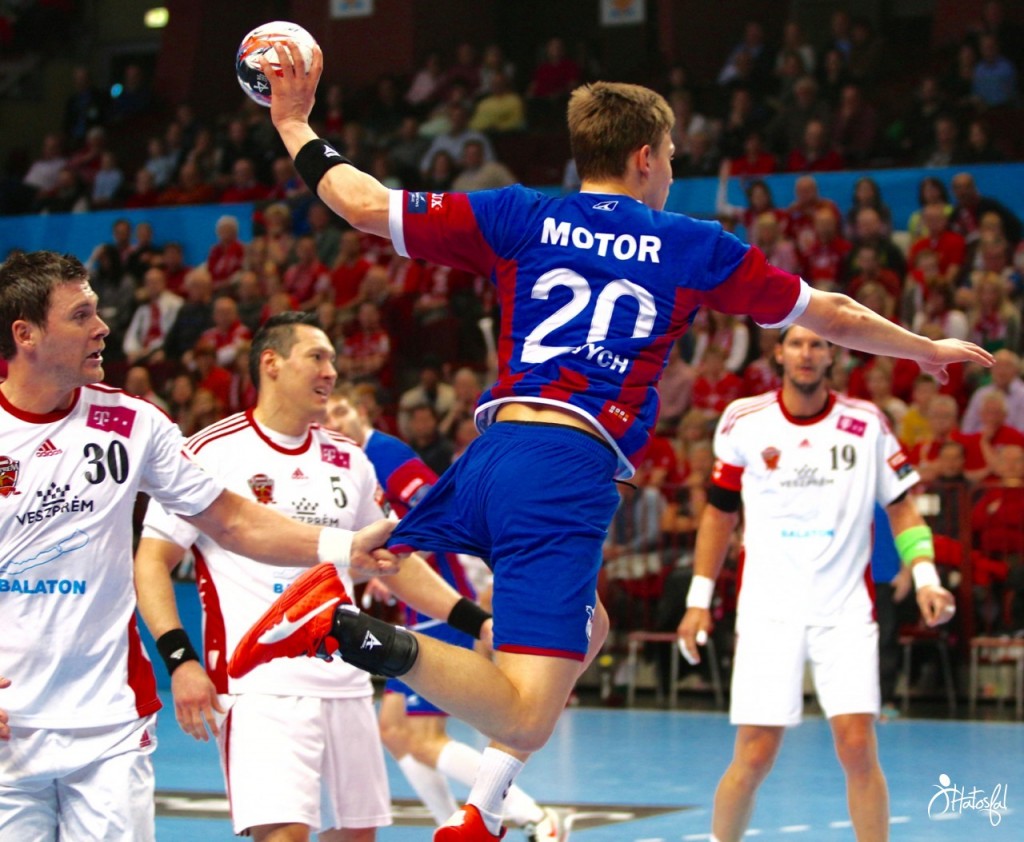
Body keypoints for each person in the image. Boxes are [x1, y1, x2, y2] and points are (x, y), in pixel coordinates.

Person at [228, 45, 991, 842]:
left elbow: (359, 202)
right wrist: (923, 349)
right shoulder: (690, 243)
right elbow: (831, 312)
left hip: (491, 454)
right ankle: (346, 629)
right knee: (526, 713)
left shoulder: (518, 214)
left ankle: (481, 812)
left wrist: (294, 122)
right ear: (643, 158)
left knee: (587, 630)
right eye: (670, 156)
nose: (673, 171)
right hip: (564, 472)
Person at [0, 252, 398, 840]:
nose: (102, 327)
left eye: (97, 311)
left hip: (110, 723)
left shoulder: (133, 423)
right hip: (9, 730)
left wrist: (341, 545)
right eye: (81, 315)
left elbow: (233, 521)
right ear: (25, 334)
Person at [134, 312, 472, 841]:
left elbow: (393, 563)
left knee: (357, 837)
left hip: (347, 677)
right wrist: (180, 660)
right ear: (271, 363)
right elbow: (151, 560)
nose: (331, 371)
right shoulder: (209, 452)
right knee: (284, 833)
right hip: (258, 685)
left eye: (333, 359)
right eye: (317, 357)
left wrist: (476, 620)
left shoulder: (349, 459)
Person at [677, 325, 958, 842]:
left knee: (857, 745)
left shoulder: (867, 423)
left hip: (845, 611)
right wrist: (698, 600)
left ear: (832, 355)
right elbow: (718, 515)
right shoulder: (743, 421)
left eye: (818, 344)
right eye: (797, 344)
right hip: (768, 610)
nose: (807, 353)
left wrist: (925, 578)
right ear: (779, 354)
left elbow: (903, 508)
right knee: (754, 753)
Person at [324, 387, 563, 838]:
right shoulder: (348, 460)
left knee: (423, 738)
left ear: (362, 411)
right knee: (395, 731)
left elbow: (440, 513)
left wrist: (401, 556)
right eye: (327, 416)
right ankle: (450, 824)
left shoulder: (386, 455)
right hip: (414, 609)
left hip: (442, 602)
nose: (333, 422)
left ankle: (534, 817)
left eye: (341, 411)